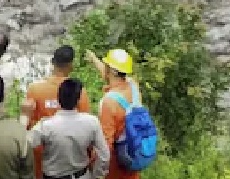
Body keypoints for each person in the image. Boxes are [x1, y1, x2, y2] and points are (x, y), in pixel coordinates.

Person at [20, 47, 91, 179]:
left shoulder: (35, 89)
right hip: (72, 155)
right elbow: (85, 125)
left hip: (43, 155)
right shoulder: (78, 91)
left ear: (52, 62)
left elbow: (29, 123)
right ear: (71, 65)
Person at [26, 79, 109, 179]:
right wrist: (97, 175)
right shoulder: (91, 122)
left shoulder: (45, 126)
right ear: (78, 100)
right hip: (82, 175)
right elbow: (104, 155)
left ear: (58, 99)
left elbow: (24, 145)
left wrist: (25, 116)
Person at [89, 50, 141, 179]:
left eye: (106, 64)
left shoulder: (109, 103)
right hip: (132, 158)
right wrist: (95, 60)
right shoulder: (133, 87)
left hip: (116, 169)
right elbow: (113, 79)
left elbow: (105, 146)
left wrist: (95, 170)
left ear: (112, 71)